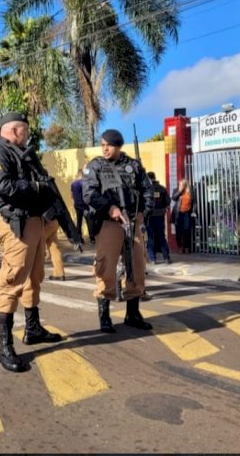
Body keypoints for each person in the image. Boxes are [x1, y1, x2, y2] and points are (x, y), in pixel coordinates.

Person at [0, 112, 62, 373]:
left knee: (34, 277)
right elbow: (3, 186)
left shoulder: (23, 153)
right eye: (25, 130)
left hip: (36, 223)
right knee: (12, 281)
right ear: (14, 130)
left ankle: (33, 328)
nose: (28, 134)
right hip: (18, 225)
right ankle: (4, 346)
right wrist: (36, 187)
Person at [83, 128, 154, 333]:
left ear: (118, 146)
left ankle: (133, 313)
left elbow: (147, 190)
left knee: (137, 267)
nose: (105, 148)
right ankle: (104, 316)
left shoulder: (133, 165)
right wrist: (109, 207)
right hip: (109, 224)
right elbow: (89, 194)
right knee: (105, 267)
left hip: (132, 222)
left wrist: (144, 213)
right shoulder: (96, 166)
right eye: (102, 144)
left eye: (109, 145)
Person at [145, 171, 171, 265]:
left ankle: (153, 259)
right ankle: (166, 257)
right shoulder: (162, 189)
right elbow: (168, 201)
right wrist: (163, 208)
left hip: (150, 216)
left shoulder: (147, 189)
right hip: (160, 216)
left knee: (151, 237)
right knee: (161, 236)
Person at [170, 178, 195, 254]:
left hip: (187, 213)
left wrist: (194, 211)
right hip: (178, 213)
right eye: (179, 184)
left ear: (185, 185)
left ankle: (187, 247)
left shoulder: (190, 191)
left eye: (181, 184)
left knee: (187, 231)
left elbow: (194, 202)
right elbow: (173, 198)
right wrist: (180, 191)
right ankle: (180, 247)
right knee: (178, 232)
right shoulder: (176, 190)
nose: (180, 185)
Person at [70, 169, 86, 244]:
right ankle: (92, 237)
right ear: (82, 174)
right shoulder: (82, 183)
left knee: (79, 222)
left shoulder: (73, 183)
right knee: (90, 220)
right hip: (84, 205)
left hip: (76, 204)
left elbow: (72, 195)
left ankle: (79, 238)